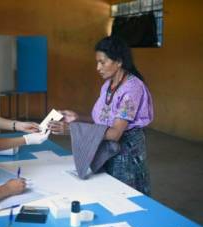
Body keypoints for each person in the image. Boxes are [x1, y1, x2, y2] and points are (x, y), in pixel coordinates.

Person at [48, 35, 153, 195]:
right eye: (97, 62)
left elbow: (115, 133)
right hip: (106, 147)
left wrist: (72, 129)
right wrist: (78, 118)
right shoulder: (108, 86)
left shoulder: (132, 89)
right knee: (107, 189)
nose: (98, 67)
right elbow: (104, 118)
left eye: (102, 62)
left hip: (126, 154)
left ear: (118, 62)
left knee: (125, 195)